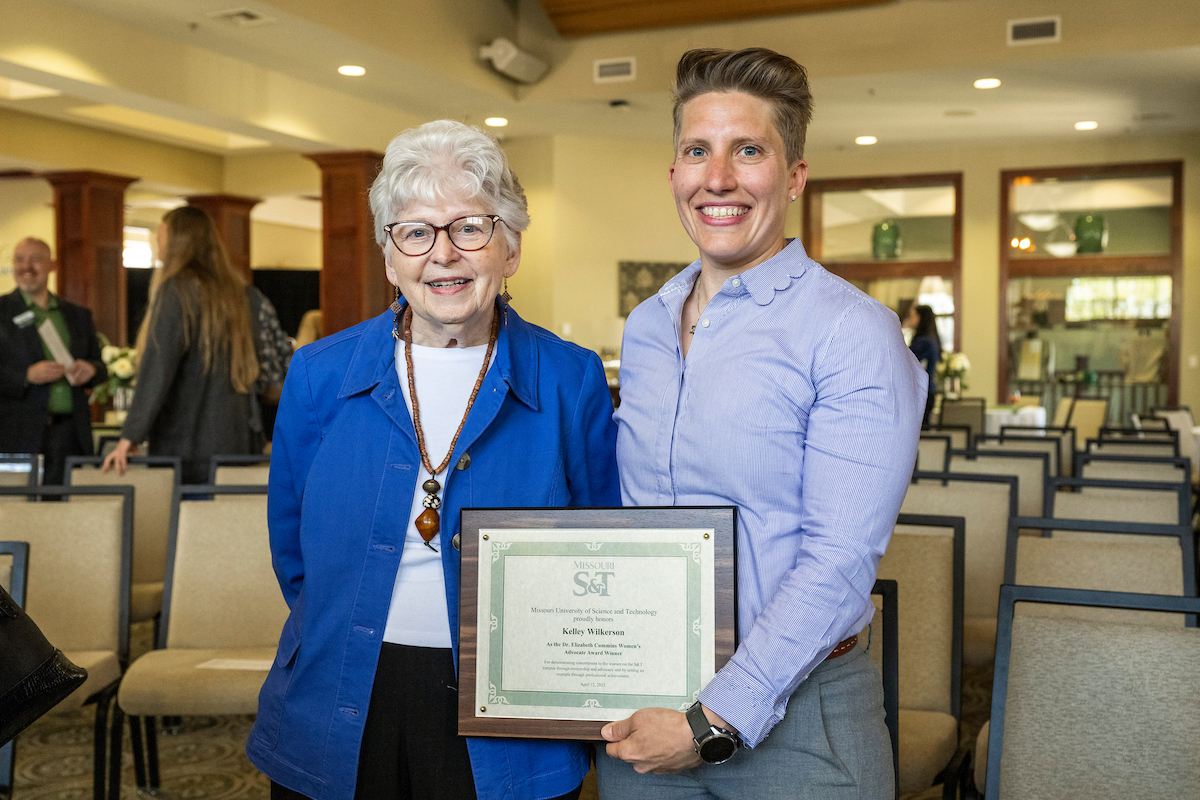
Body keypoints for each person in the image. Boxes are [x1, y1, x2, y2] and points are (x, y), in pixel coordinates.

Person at [247, 120, 621, 800]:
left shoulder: (571, 379)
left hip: (511, 704)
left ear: (510, 247)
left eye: (470, 228)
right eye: (415, 232)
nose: (442, 255)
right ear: (392, 259)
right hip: (339, 693)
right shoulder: (318, 375)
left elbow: (601, 545)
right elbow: (293, 551)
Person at [601, 48, 925, 800]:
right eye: (696, 151)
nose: (718, 177)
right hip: (650, 711)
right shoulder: (646, 328)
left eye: (748, 150)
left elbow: (840, 562)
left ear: (794, 174)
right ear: (674, 173)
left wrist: (713, 719)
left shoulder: (851, 331)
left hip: (800, 725)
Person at [102, 206, 265, 483]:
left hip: (185, 444)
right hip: (237, 438)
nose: (157, 243)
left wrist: (130, 436)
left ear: (178, 241)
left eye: (161, 236)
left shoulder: (177, 289)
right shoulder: (242, 294)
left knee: (183, 523)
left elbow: (158, 368)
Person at [0, 237, 106, 485]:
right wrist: (25, 376)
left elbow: (101, 367)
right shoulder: (2, 311)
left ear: (52, 266)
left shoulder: (78, 315)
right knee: (18, 515)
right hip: (16, 434)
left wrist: (91, 369)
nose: (26, 267)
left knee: (68, 510)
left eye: (35, 259)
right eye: (19, 259)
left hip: (71, 433)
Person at [905, 304, 943, 426]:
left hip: (921, 390)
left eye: (913, 316)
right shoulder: (931, 338)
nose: (910, 319)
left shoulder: (924, 341)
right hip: (927, 390)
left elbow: (909, 361)